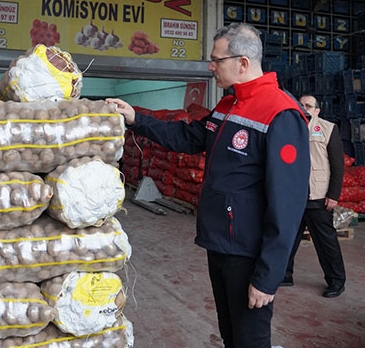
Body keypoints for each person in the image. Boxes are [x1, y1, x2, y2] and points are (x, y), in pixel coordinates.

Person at [107, 22, 310, 348]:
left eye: (217, 60)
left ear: (242, 63)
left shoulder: (281, 113)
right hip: (221, 243)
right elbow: (188, 137)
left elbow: (288, 204)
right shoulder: (228, 106)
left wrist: (269, 276)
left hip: (248, 252)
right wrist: (136, 119)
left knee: (250, 339)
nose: (210, 66)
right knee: (231, 334)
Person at [282, 95, 346, 298]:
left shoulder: (328, 129)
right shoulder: (289, 128)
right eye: (300, 105)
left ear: (318, 110)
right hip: (294, 195)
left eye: (309, 106)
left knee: (326, 241)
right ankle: (284, 275)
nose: (304, 108)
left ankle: (336, 281)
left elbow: (338, 165)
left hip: (318, 195)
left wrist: (333, 194)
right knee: (287, 238)